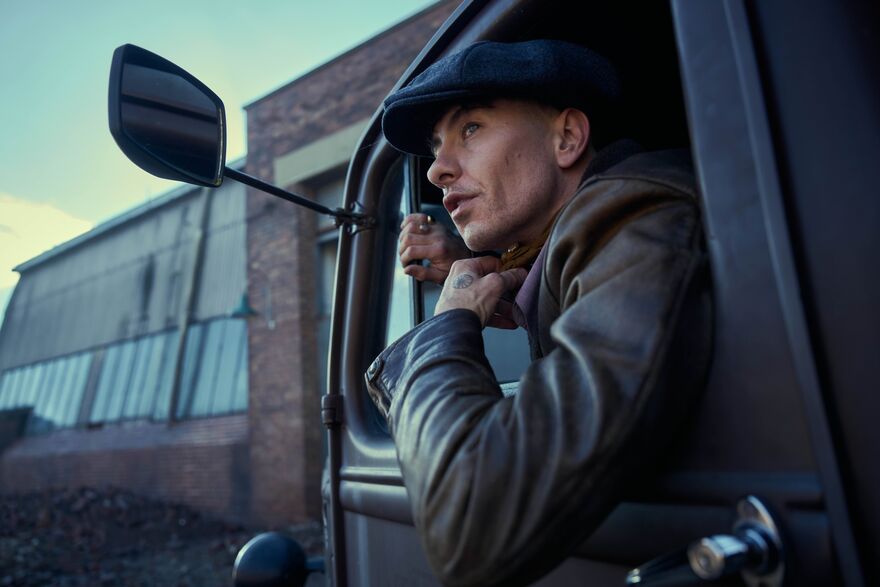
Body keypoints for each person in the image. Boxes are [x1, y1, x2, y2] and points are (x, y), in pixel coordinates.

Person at [365, 39, 712, 587]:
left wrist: (446, 325)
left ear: (568, 138)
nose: (436, 170)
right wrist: (485, 271)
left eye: (471, 128)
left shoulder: (631, 217)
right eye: (436, 147)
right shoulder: (594, 233)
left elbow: (475, 518)